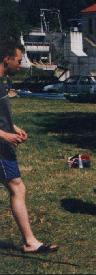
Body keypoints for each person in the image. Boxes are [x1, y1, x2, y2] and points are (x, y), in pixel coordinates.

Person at [0, 40, 58, 253]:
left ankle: (30, 240)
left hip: (4, 143)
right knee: (17, 186)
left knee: (17, 187)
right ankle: (30, 241)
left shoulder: (4, 82)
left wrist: (13, 128)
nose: (21, 64)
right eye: (18, 60)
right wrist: (5, 134)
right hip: (1, 148)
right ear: (6, 59)